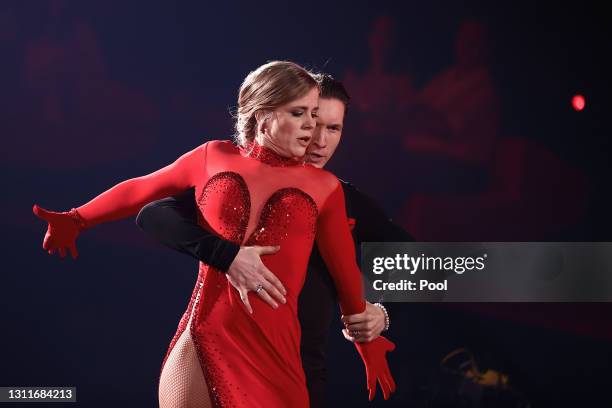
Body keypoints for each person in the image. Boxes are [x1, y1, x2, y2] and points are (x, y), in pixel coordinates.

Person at [33, 61, 395, 408]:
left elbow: (424, 269)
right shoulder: (212, 157)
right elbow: (144, 200)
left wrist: (378, 323)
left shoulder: (334, 191)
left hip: (281, 362)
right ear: (261, 116)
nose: (315, 133)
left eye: (329, 125)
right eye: (301, 114)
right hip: (205, 339)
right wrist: (75, 218)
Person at [136, 73, 412, 407]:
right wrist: (226, 255)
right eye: (308, 119)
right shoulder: (233, 183)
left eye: (333, 128)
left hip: (302, 375)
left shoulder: (341, 197)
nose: (319, 140)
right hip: (221, 357)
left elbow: (437, 266)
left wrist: (384, 312)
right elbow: (154, 213)